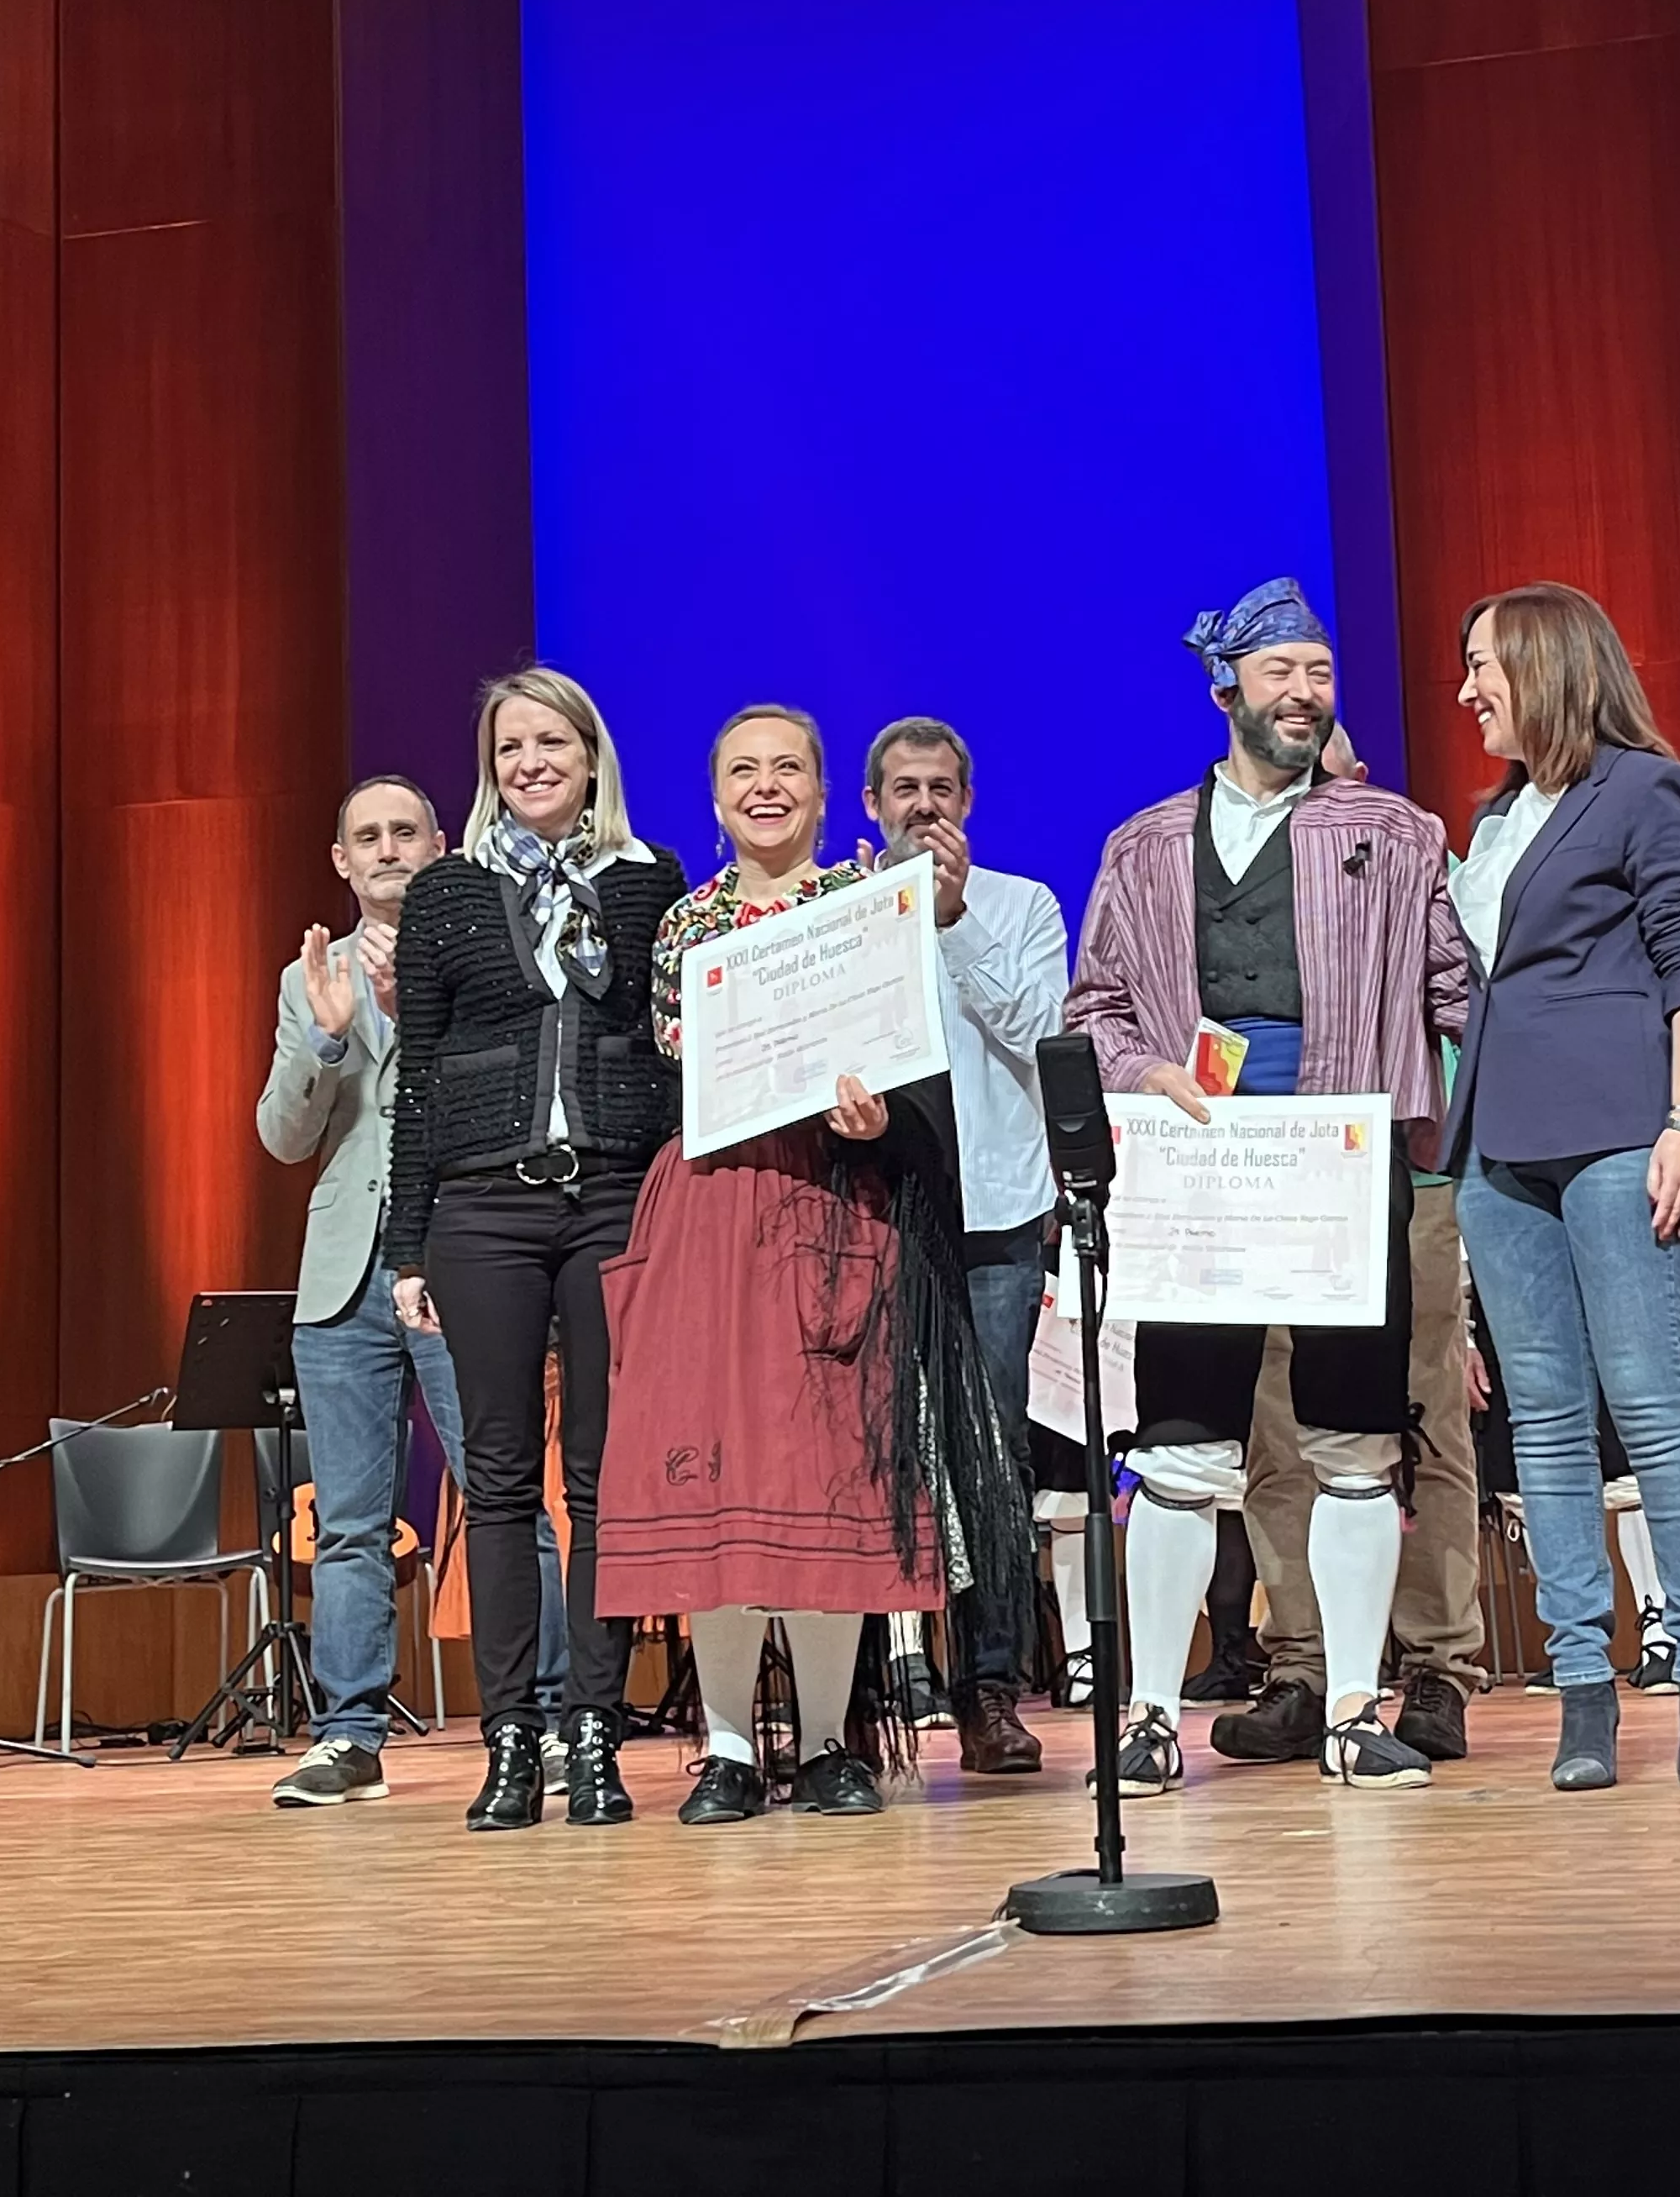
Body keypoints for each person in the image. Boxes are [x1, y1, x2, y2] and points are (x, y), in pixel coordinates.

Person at [1064, 579, 1470, 1794]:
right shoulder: (1143, 847)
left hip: (1342, 1168)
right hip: (1200, 1174)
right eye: (1281, 673)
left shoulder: (1397, 834)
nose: (1305, 694)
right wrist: (1143, 1071)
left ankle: (1352, 1709)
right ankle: (1149, 1713)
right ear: (1224, 687)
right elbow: (1095, 1009)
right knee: (1183, 1449)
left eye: (1321, 674)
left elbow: (1460, 994)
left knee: (1355, 1442)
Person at [595, 706, 1035, 1821]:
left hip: (836, 1210)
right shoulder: (686, 922)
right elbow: (679, 1066)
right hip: (713, 1209)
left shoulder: (864, 906)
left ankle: (834, 1742)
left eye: (788, 767)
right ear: (715, 797)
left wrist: (879, 1120)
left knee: (830, 1479)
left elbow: (914, 1067)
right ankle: (730, 1749)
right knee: (720, 1481)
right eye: (743, 770)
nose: (766, 787)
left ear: (824, 793)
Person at [1447, 581, 1680, 1793]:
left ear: (1546, 664)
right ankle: (1582, 1689)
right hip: (1497, 1147)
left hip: (1622, 1129)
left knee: (1652, 1405)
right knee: (1545, 1426)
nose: (1467, 691)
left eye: (1483, 666)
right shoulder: (1494, 817)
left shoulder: (1644, 788)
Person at [384, 671, 684, 1832]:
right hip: (481, 1212)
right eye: (510, 747)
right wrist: (408, 1246)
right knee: (500, 1482)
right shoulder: (448, 891)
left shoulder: (649, 881)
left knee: (603, 1483)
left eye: (551, 741)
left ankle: (598, 1735)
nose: (530, 763)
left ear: (591, 754)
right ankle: (511, 1739)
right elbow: (418, 1079)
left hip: (613, 1201)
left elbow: (671, 1056)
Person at [1232, 727, 1489, 1763]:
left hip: (1403, 1181)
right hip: (1271, 1179)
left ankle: (1437, 1666)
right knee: (1277, 1429)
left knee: (1424, 1420)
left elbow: (1470, 1010)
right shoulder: (1232, 876)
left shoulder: (1416, 859)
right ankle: (1303, 1664)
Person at [257, 776, 474, 1810]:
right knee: (347, 1523)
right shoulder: (309, 977)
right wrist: (329, 1038)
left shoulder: (482, 953)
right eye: (368, 837)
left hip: (461, 1262)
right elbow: (283, 1136)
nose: (388, 849)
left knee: (503, 1497)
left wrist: (412, 1013)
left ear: (439, 844)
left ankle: (550, 1718)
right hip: (345, 1277)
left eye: (404, 832)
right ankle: (348, 1736)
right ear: (341, 861)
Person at [862, 715, 1066, 1776]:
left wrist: (952, 923)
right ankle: (866, 1697)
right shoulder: (841, 910)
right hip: (871, 1217)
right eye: (904, 789)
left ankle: (989, 1686)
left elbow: (1043, 1032)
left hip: (993, 1216)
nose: (924, 805)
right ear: (872, 806)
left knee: (991, 1453)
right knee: (869, 1450)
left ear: (968, 803)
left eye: (941, 788)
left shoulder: (1021, 906)